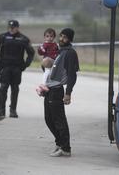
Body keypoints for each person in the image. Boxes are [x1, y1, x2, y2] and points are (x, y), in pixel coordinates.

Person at [44, 28, 79, 157]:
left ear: (70, 39)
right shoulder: (60, 51)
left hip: (57, 90)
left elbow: (72, 75)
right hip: (49, 89)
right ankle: (59, 143)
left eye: (64, 37)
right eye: (61, 36)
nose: (61, 39)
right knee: (48, 119)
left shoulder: (70, 53)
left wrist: (68, 93)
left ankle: (65, 148)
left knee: (59, 120)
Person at [0, 20, 35, 118]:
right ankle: (1, 111)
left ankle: (13, 110)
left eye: (13, 27)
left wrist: (25, 64)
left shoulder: (23, 39)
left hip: (17, 68)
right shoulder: (2, 37)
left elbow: (31, 53)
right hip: (5, 67)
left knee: (15, 89)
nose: (11, 29)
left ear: (17, 28)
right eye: (10, 27)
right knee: (3, 88)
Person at [36, 28, 59, 96]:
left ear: (54, 37)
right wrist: (41, 49)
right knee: (47, 71)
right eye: (47, 36)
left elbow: (58, 52)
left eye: (51, 36)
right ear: (45, 37)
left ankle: (41, 90)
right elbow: (40, 52)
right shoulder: (45, 44)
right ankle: (43, 84)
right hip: (47, 62)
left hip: (54, 62)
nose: (49, 38)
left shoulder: (55, 45)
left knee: (50, 76)